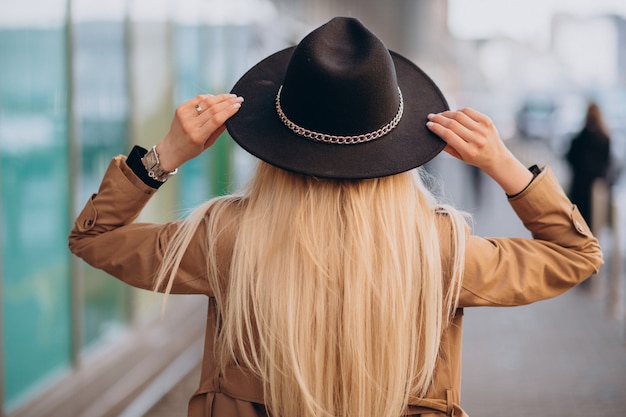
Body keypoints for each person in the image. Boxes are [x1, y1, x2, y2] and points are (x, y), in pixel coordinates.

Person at [69, 17, 603, 417]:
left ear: (273, 137)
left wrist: (166, 154)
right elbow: (577, 253)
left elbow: (94, 238)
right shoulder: (437, 249)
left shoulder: (227, 237)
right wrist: (503, 164)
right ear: (397, 143)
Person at [565, 101, 612, 229]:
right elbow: (608, 162)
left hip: (579, 185)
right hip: (596, 186)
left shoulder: (578, 139)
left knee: (579, 221)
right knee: (594, 223)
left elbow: (569, 158)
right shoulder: (605, 139)